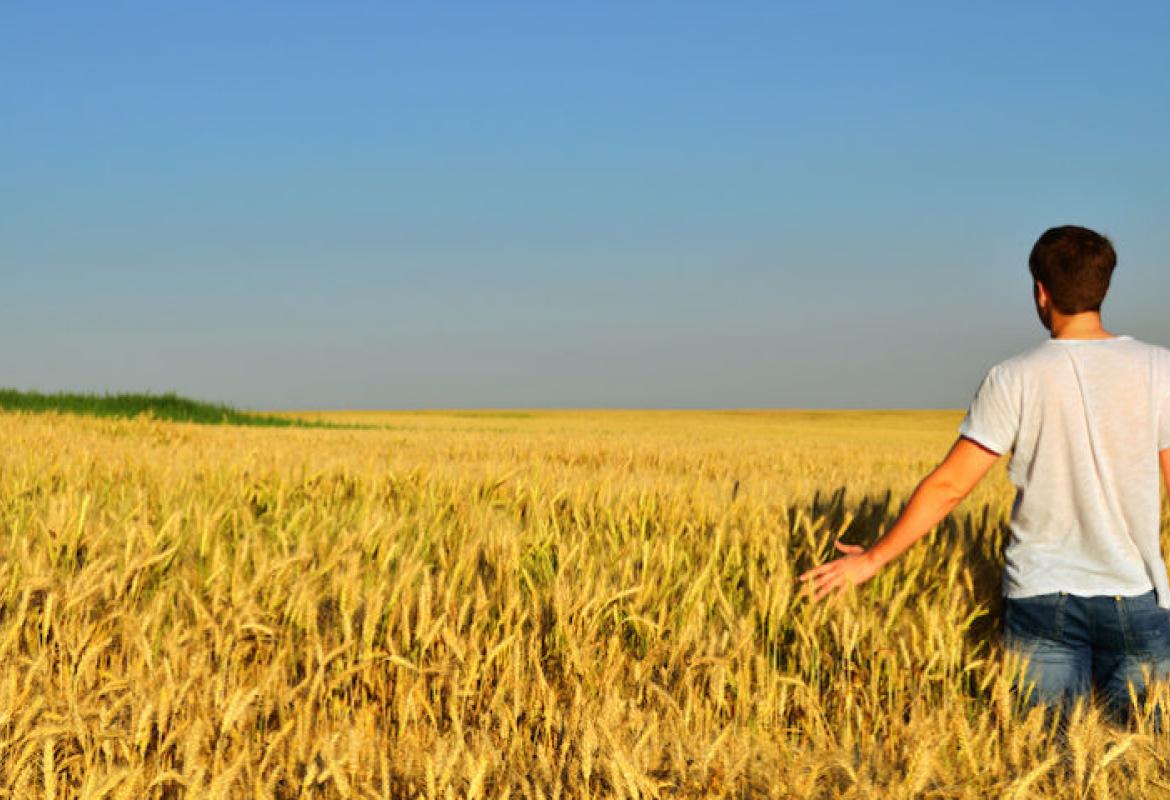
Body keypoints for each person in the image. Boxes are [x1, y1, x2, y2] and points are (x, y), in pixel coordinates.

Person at [798, 225, 1170, 729]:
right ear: (1105, 286)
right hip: (1138, 594)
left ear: (1041, 291)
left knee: (1046, 759)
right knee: (1144, 752)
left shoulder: (1014, 376)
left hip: (1041, 596)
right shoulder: (1159, 369)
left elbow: (950, 486)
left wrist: (873, 560)